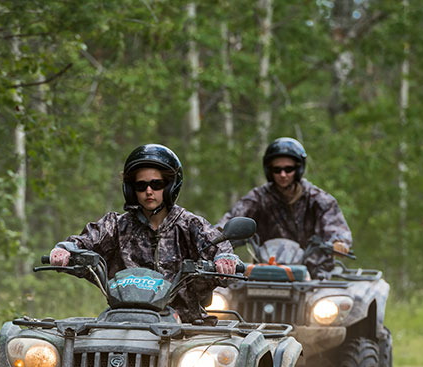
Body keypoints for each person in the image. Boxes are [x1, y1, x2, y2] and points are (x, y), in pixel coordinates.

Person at [49, 143, 238, 323]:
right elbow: (87, 240)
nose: (149, 191)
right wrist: (65, 250)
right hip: (124, 322)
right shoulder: (116, 225)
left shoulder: (190, 224)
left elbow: (217, 244)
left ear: (171, 185)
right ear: (132, 190)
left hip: (185, 327)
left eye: (157, 184)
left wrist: (225, 259)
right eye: (141, 185)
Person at [217, 136, 352, 278]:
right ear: (269, 170)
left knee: (336, 298)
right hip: (264, 271)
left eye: (289, 169)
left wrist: (338, 242)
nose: (283, 174)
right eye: (277, 169)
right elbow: (231, 221)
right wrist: (215, 238)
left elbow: (335, 226)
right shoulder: (258, 197)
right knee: (223, 294)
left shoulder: (318, 199)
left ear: (299, 169)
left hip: (313, 275)